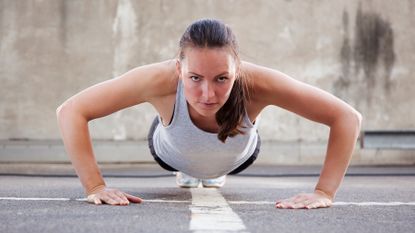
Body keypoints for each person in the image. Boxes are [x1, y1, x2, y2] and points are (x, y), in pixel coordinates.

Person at [56, 18, 362, 209]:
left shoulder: (258, 83)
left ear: (237, 70)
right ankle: (190, 170)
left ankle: (210, 172)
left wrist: (324, 192)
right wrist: (95, 186)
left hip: (238, 153)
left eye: (221, 79)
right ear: (179, 69)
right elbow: (71, 111)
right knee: (182, 141)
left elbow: (346, 118)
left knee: (226, 145)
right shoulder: (158, 79)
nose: (207, 94)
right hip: (170, 150)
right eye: (194, 78)